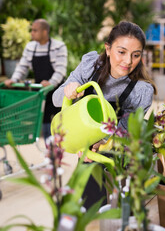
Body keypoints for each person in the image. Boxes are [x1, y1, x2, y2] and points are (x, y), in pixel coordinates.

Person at [52, 21, 157, 209]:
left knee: (120, 211)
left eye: (136, 55)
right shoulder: (91, 66)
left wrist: (99, 141)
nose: (127, 62)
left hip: (120, 155)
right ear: (108, 49)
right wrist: (69, 89)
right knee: (86, 206)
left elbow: (128, 131)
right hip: (88, 151)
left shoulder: (141, 90)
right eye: (121, 52)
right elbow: (56, 100)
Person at [4, 19, 67, 140]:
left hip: (56, 89)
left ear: (44, 32)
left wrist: (51, 83)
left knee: (57, 122)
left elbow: (60, 70)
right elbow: (22, 67)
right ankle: (50, 153)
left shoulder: (58, 46)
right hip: (41, 91)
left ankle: (55, 151)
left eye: (35, 30)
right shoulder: (30, 47)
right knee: (44, 121)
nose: (31, 33)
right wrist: (14, 79)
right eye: (31, 30)